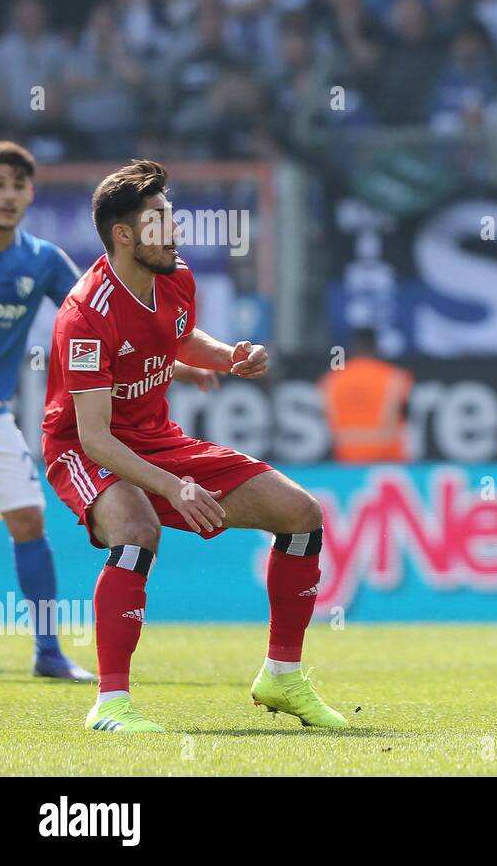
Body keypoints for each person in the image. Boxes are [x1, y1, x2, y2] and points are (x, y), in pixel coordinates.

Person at [41, 159, 346, 733]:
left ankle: (282, 676)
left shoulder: (176, 276)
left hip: (159, 440)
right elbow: (94, 436)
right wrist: (171, 486)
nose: (175, 228)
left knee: (302, 515)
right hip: (82, 449)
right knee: (137, 530)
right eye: (159, 218)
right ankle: (111, 705)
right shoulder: (84, 316)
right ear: (125, 235)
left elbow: (180, 336)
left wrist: (228, 356)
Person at [0, 141, 92, 681]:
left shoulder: (42, 260)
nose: (7, 196)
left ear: (30, 193)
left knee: (29, 518)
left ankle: (48, 652)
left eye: (16, 185)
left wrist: (177, 360)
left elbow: (95, 316)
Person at [321, 326, 413, 463]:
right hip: (388, 464)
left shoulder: (331, 380)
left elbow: (330, 428)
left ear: (351, 349)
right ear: (376, 347)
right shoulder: (395, 378)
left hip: (346, 464)